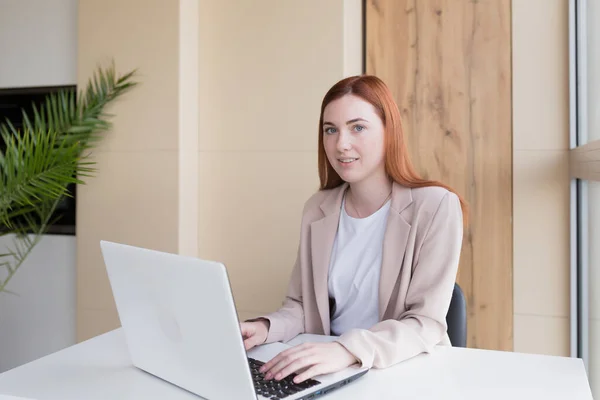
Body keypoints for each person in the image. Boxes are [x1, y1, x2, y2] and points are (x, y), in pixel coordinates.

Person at [240, 75, 467, 385]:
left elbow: (425, 323)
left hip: (400, 371)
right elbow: (303, 306)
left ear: (389, 132)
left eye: (357, 127)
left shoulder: (436, 206)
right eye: (330, 130)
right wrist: (266, 327)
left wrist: (347, 349)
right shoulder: (318, 208)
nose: (341, 144)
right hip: (330, 370)